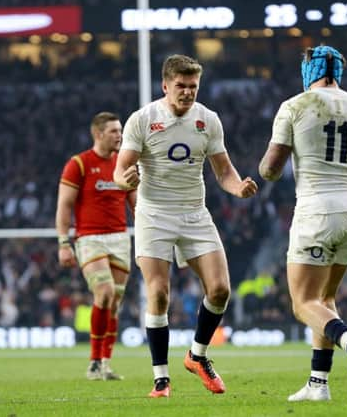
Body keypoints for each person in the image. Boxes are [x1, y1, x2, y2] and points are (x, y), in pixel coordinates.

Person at [113, 54, 258, 398]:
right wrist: (123, 181)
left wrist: (238, 187)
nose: (188, 92)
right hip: (154, 214)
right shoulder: (143, 119)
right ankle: (161, 380)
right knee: (159, 293)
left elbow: (223, 170)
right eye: (181, 86)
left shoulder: (208, 120)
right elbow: (121, 169)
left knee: (220, 289)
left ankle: (197, 355)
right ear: (165, 85)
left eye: (193, 86)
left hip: (194, 213)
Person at [258, 45, 347, 401]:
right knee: (326, 297)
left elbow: (269, 170)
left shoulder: (295, 106)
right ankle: (319, 384)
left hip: (317, 211)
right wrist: (343, 174)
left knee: (302, 303)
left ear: (309, 71)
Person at [56, 112, 137, 381]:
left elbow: (136, 205)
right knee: (103, 292)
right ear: (98, 134)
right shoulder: (78, 164)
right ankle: (93, 361)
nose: (120, 135)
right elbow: (65, 206)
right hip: (90, 239)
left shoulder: (124, 164)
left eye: (121, 130)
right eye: (114, 131)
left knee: (114, 303)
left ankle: (105, 363)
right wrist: (63, 242)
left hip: (120, 238)